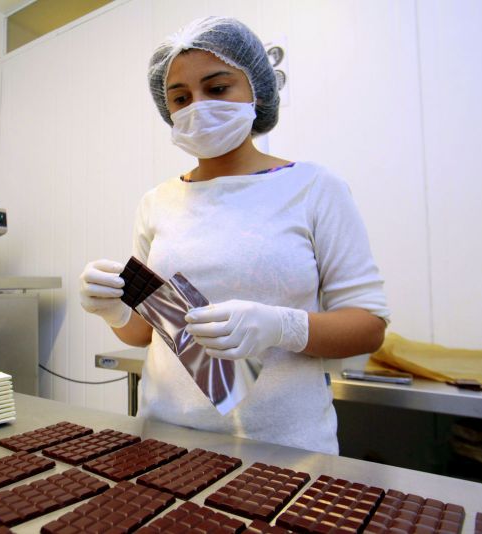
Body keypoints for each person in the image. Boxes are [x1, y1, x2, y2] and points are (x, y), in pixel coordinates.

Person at [78, 16, 390, 455]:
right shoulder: (157, 202)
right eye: (180, 98)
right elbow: (146, 335)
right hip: (165, 443)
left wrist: (281, 326)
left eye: (218, 88)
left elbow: (368, 327)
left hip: (286, 452)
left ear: (256, 91)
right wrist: (113, 310)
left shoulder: (315, 188)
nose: (197, 107)